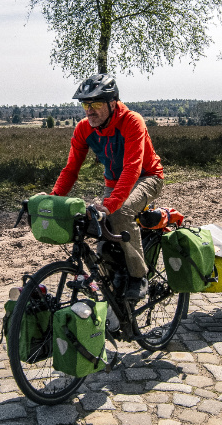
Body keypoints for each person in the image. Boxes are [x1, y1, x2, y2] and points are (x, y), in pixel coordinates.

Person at [50, 73, 164, 300]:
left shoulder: (132, 121)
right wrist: (52, 198)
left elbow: (132, 168)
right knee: (97, 226)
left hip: (147, 177)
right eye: (86, 104)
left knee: (120, 212)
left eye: (97, 104)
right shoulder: (84, 128)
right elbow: (71, 169)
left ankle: (138, 275)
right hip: (114, 183)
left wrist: (110, 205)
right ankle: (115, 272)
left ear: (113, 104)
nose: (89, 110)